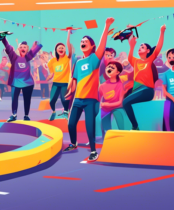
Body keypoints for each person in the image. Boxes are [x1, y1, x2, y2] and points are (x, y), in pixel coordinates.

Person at [64, 17, 115, 162]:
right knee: (71, 123)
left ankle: (93, 151)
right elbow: (75, 80)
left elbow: (102, 44)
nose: (83, 42)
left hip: (91, 100)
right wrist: (70, 93)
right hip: (78, 99)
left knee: (89, 126)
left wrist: (106, 26)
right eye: (81, 41)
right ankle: (73, 143)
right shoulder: (78, 62)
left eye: (86, 41)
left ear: (92, 46)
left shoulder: (94, 58)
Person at [124, 24, 166, 130]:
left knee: (125, 102)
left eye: (142, 47)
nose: (140, 48)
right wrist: (130, 31)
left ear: (148, 51)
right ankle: (135, 125)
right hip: (137, 90)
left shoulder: (149, 59)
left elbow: (159, 46)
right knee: (125, 102)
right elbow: (131, 47)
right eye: (139, 47)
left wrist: (162, 32)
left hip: (147, 91)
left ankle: (135, 126)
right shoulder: (135, 61)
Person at [3, 37, 43, 122]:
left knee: (27, 99)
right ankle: (14, 115)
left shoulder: (28, 57)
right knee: (14, 99)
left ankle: (26, 115)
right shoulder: (13, 57)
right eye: (21, 47)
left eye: (24, 47)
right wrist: (3, 38)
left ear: (27, 49)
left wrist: (37, 45)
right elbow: (8, 47)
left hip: (28, 83)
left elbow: (34, 51)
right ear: (18, 49)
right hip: (16, 82)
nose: (22, 48)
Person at [47, 30, 73, 120]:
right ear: (56, 50)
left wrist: (68, 33)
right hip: (56, 83)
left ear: (65, 49)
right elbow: (52, 72)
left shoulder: (67, 58)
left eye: (63, 48)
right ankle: (53, 112)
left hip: (65, 83)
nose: (61, 49)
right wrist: (50, 75)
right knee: (52, 101)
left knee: (64, 100)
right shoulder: (52, 61)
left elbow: (69, 45)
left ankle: (66, 112)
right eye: (59, 48)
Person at [99, 61, 124, 139]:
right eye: (108, 67)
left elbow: (120, 102)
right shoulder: (102, 86)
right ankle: (106, 138)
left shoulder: (121, 85)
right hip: (105, 109)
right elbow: (98, 99)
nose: (109, 68)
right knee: (103, 120)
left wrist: (107, 104)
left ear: (118, 72)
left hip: (117, 108)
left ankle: (122, 136)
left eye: (112, 68)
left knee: (119, 116)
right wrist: (101, 104)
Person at [161, 48, 174, 131]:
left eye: (173, 57)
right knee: (169, 117)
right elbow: (164, 91)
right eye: (169, 57)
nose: (171, 59)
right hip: (170, 99)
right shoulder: (166, 74)